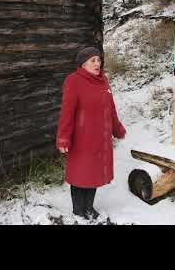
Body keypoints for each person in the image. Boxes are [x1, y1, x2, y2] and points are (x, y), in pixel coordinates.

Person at [56, 47, 126, 220]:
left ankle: (89, 207)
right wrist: (63, 137)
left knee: (93, 174)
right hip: (81, 138)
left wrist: (117, 129)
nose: (97, 63)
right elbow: (67, 113)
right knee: (80, 173)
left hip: (99, 139)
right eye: (93, 60)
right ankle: (78, 210)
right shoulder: (74, 81)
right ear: (83, 63)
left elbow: (111, 109)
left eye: (99, 60)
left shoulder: (103, 80)